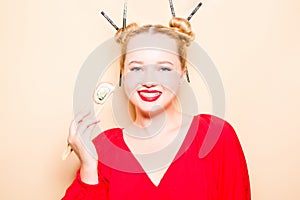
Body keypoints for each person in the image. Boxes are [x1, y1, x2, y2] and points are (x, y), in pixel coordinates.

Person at [62, 3, 251, 199]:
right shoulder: (103, 148)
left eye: (164, 69)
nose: (149, 81)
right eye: (136, 69)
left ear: (181, 74)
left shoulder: (215, 136)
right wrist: (89, 166)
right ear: (123, 74)